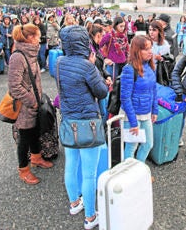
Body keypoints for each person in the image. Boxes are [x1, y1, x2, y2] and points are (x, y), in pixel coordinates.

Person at [56, 25, 109, 230]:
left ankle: (74, 204)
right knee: (89, 173)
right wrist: (95, 68)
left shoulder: (60, 62)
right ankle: (90, 217)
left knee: (71, 165)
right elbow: (102, 92)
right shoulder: (88, 66)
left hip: (69, 121)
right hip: (88, 123)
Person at [8, 23, 53, 185]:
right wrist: (32, 101)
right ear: (29, 38)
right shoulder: (18, 56)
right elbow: (14, 86)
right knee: (24, 139)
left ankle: (36, 158)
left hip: (33, 104)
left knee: (34, 133)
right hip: (24, 107)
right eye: (37, 36)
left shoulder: (31, 54)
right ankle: (24, 170)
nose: (40, 39)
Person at [120, 35, 158, 162]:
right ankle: (128, 177)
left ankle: (138, 172)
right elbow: (125, 98)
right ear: (137, 51)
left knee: (148, 144)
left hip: (146, 113)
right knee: (131, 147)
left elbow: (153, 89)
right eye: (146, 49)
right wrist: (133, 122)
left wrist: (155, 110)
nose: (150, 51)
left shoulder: (150, 66)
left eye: (151, 48)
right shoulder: (129, 69)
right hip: (131, 115)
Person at [88, 23, 113, 124]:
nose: (103, 38)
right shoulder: (90, 49)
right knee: (102, 111)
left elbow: (100, 67)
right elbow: (93, 70)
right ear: (98, 35)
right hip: (97, 84)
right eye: (102, 35)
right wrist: (104, 80)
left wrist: (108, 76)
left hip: (101, 81)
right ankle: (101, 132)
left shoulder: (95, 47)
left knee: (105, 108)